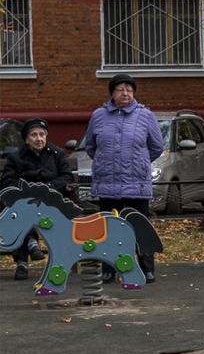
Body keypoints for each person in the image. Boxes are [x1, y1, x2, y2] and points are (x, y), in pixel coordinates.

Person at [85, 74, 164, 284]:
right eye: (120, 89)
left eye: (129, 90)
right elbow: (91, 146)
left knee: (140, 227)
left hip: (135, 184)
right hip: (108, 185)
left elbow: (157, 147)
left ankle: (146, 268)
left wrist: (140, 162)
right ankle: (109, 269)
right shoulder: (98, 116)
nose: (125, 93)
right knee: (108, 229)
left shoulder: (145, 116)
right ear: (112, 93)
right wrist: (107, 162)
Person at [0, 118, 73, 280]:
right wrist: (26, 191)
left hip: (51, 200)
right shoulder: (16, 158)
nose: (39, 138)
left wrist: (49, 187)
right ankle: (24, 257)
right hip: (25, 201)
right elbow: (7, 181)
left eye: (42, 134)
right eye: (34, 135)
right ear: (26, 139)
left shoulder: (57, 154)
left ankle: (31, 245)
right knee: (20, 211)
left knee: (26, 213)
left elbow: (67, 177)